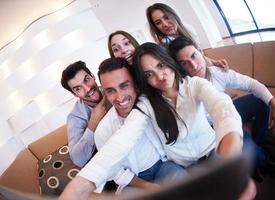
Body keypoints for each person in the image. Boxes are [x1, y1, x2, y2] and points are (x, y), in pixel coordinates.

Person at [132, 42, 256, 199]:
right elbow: (126, 135)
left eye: (161, 65)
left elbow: (222, 107)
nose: (159, 76)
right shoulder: (146, 103)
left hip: (211, 151)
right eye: (148, 74)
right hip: (177, 164)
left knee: (239, 189)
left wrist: (230, 162)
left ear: (169, 60)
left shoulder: (194, 84)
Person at [92, 58, 188, 193]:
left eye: (124, 86)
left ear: (135, 84)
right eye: (111, 91)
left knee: (183, 182)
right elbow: (115, 172)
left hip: (163, 165)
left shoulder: (152, 105)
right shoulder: (103, 131)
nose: (119, 98)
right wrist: (149, 186)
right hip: (133, 181)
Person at [145, 3, 228, 68]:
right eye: (158, 23)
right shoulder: (161, 46)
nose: (165, 24)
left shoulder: (189, 30)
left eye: (166, 17)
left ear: (173, 15)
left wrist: (214, 62)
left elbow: (199, 54)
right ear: (155, 27)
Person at [60, 61, 109, 167]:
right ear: (74, 94)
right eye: (78, 88)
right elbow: (78, 160)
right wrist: (93, 124)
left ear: (93, 76)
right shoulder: (75, 117)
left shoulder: (110, 88)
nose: (87, 89)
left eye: (86, 79)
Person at [108, 30, 227, 70]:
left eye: (126, 43)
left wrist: (211, 61)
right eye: (116, 49)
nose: (123, 50)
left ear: (134, 44)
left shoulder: (151, 56)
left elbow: (181, 58)